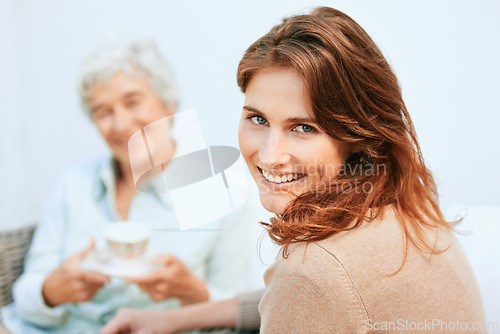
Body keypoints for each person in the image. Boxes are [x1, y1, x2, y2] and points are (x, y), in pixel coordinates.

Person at [100, 7, 486, 334]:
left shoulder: (313, 270)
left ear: (357, 134)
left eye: (304, 127)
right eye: (257, 119)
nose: (270, 156)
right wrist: (176, 319)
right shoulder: (403, 203)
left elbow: (311, 290)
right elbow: (313, 301)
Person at [2, 40, 256, 334]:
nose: (121, 124)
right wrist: (51, 291)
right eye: (102, 111)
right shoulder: (74, 184)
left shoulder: (225, 197)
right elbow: (24, 296)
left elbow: (233, 317)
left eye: (133, 102)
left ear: (168, 104)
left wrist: (191, 292)